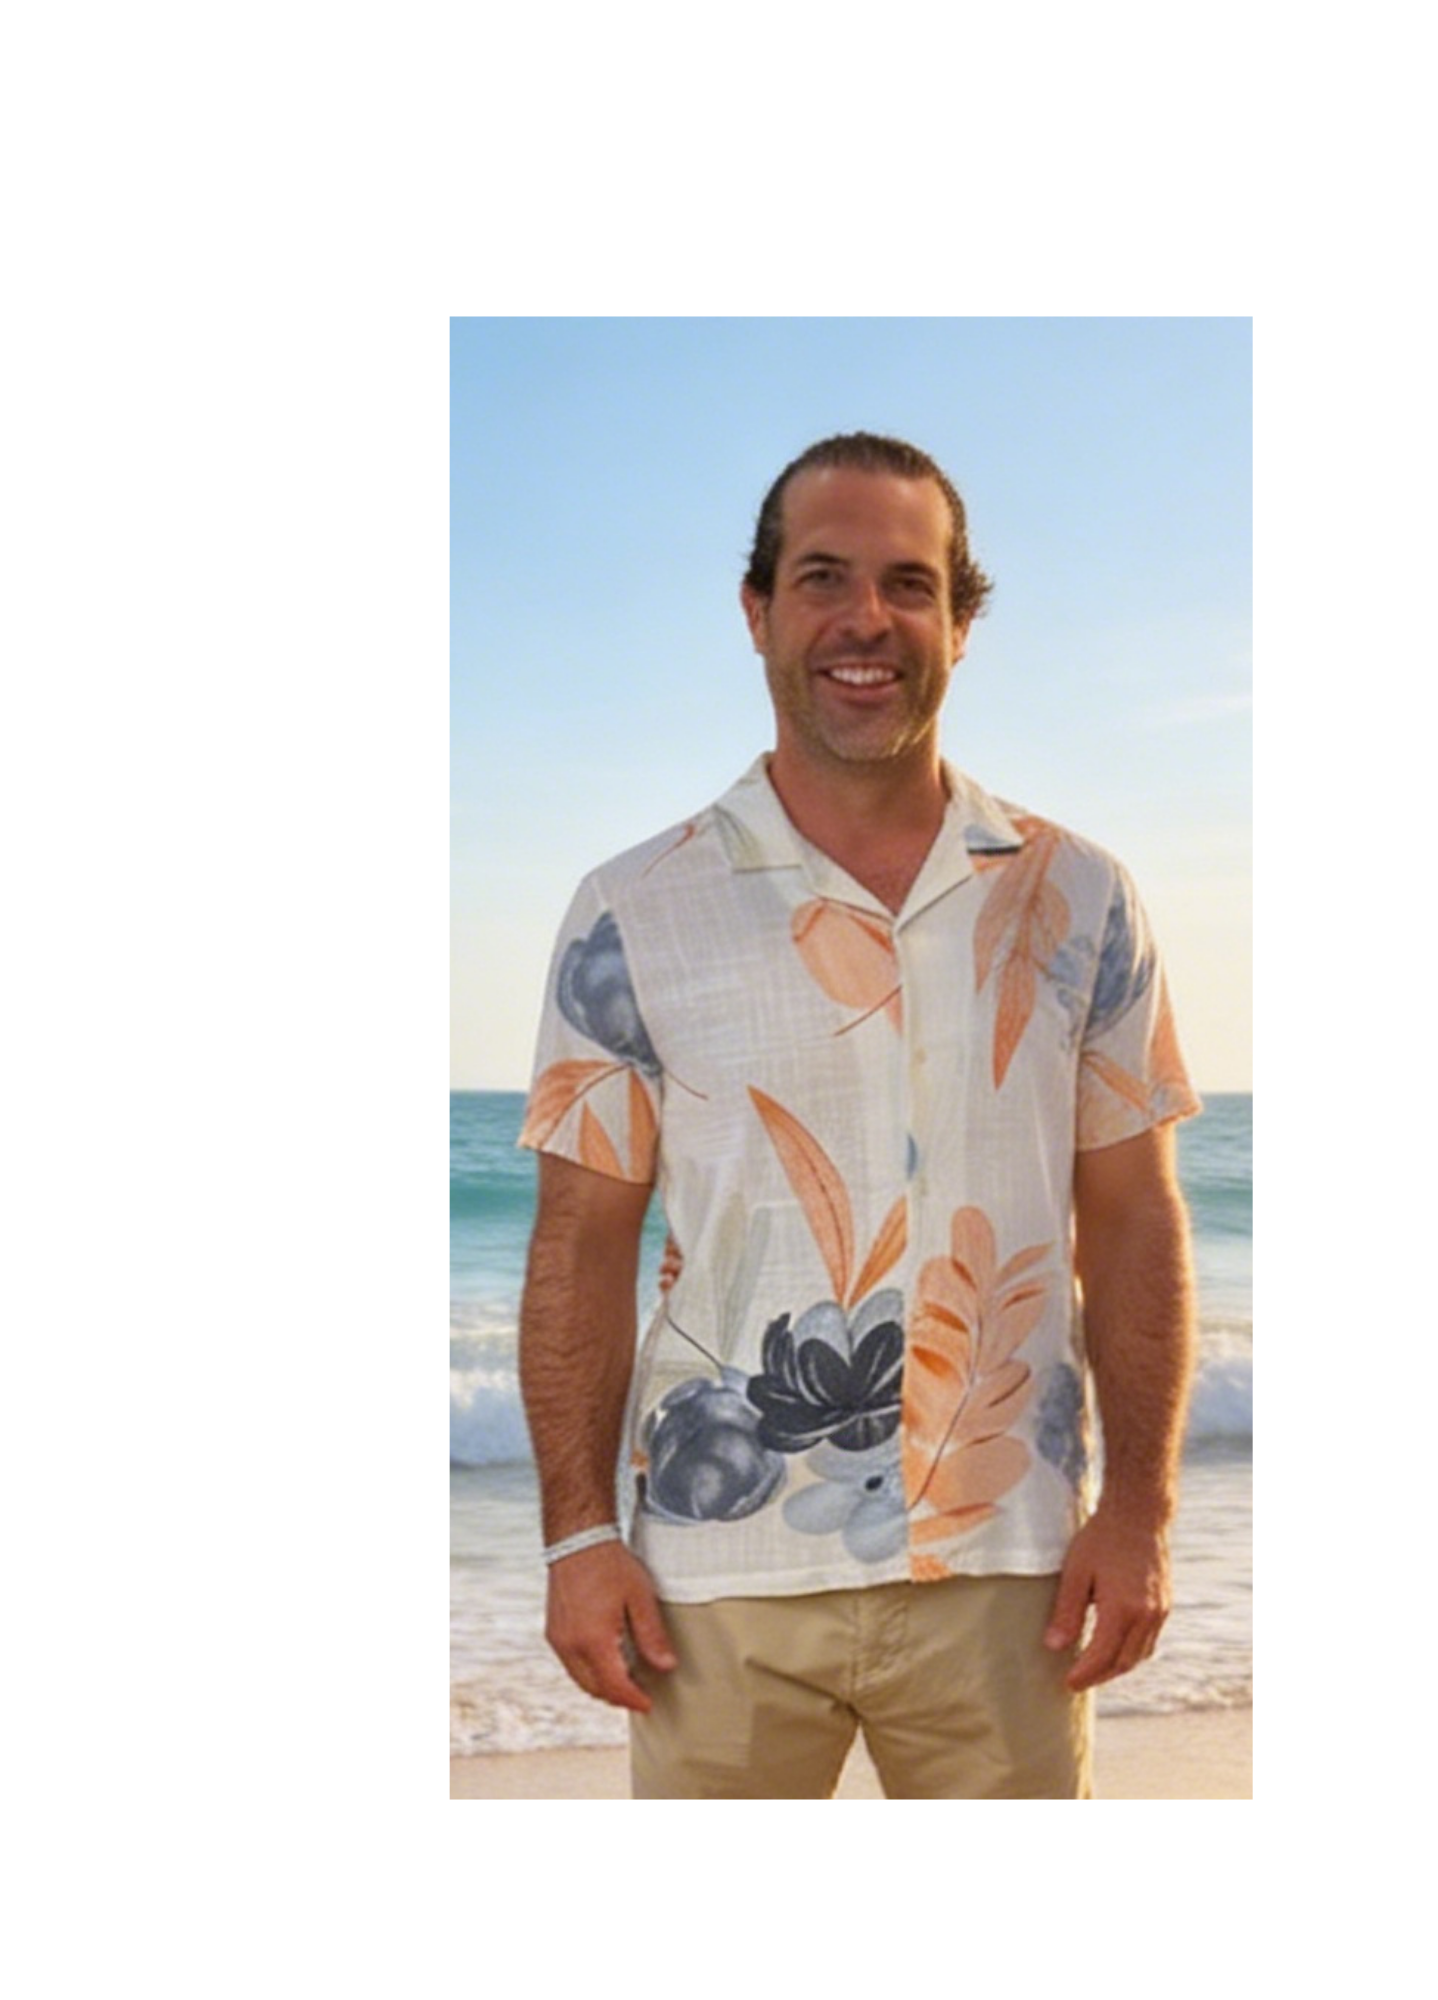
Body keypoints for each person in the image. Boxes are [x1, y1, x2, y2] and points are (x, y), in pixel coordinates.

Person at [519, 432, 1198, 1823]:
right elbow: (581, 1241)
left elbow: (1134, 1221)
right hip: (713, 1588)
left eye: (909, 582)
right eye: (823, 577)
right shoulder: (629, 908)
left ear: (960, 620)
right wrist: (579, 1534)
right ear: (758, 609)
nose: (865, 620)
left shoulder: (1082, 900)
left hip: (1009, 1569)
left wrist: (1138, 1516)